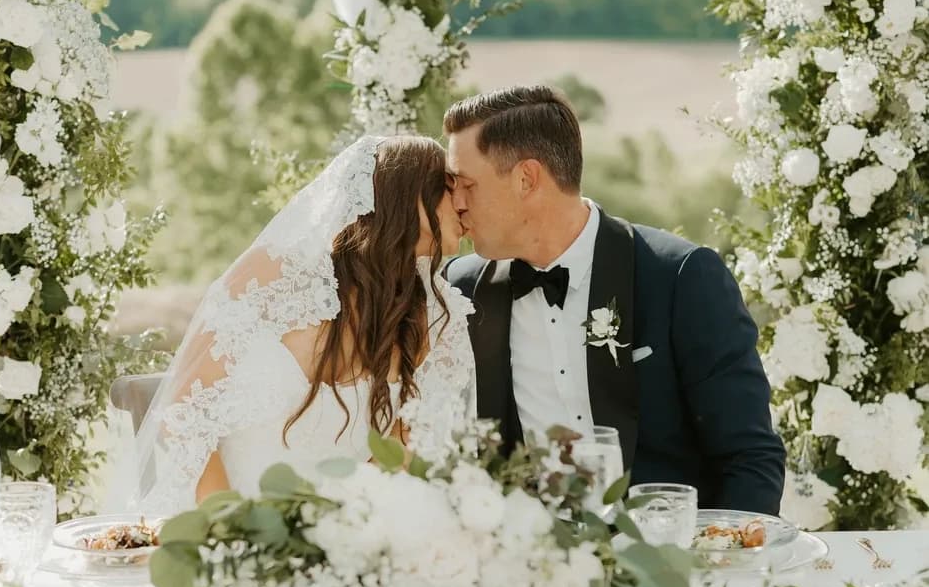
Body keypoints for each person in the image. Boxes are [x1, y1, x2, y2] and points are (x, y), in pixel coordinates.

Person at [444, 86, 786, 514]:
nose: (455, 202)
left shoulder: (680, 277)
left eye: (466, 184)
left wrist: (718, 569)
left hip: (667, 563)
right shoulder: (460, 290)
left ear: (527, 179)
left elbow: (749, 458)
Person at [129, 135, 475, 513]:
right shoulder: (273, 276)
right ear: (403, 193)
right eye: (448, 187)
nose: (463, 204)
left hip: (339, 544)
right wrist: (228, 533)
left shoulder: (433, 315)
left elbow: (399, 456)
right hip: (219, 527)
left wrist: (338, 537)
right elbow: (185, 412)